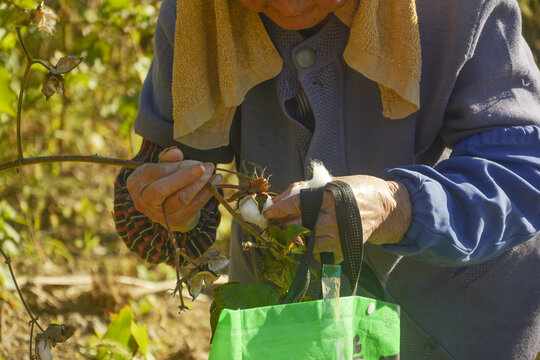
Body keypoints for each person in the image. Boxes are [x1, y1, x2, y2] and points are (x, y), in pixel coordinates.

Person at [113, 0, 540, 358]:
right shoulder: (198, 15)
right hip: (287, 330)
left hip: (461, 329)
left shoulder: (457, 11)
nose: (291, 5)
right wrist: (166, 207)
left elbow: (524, 171)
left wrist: (398, 205)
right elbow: (151, 210)